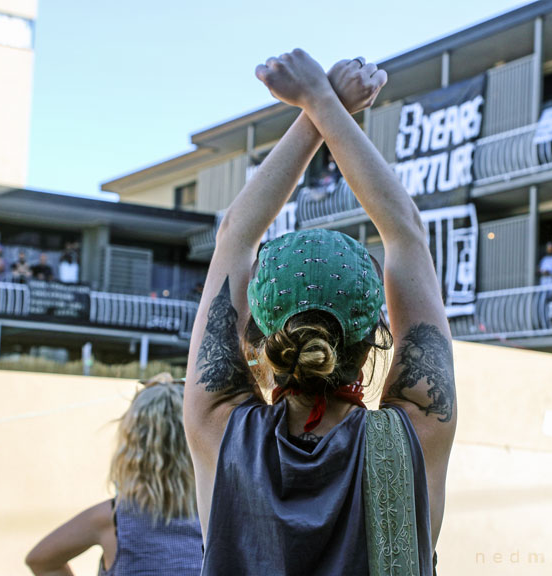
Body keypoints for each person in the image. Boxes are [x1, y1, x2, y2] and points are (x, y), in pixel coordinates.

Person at [183, 50, 455, 575]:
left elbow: (234, 239)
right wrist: (322, 103)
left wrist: (317, 107)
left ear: (258, 336)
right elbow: (406, 234)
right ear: (380, 333)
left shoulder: (218, 431)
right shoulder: (419, 433)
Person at [26, 373, 202, 576]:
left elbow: (40, 561)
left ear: (134, 443)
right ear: (192, 439)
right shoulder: (218, 516)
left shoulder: (113, 518)